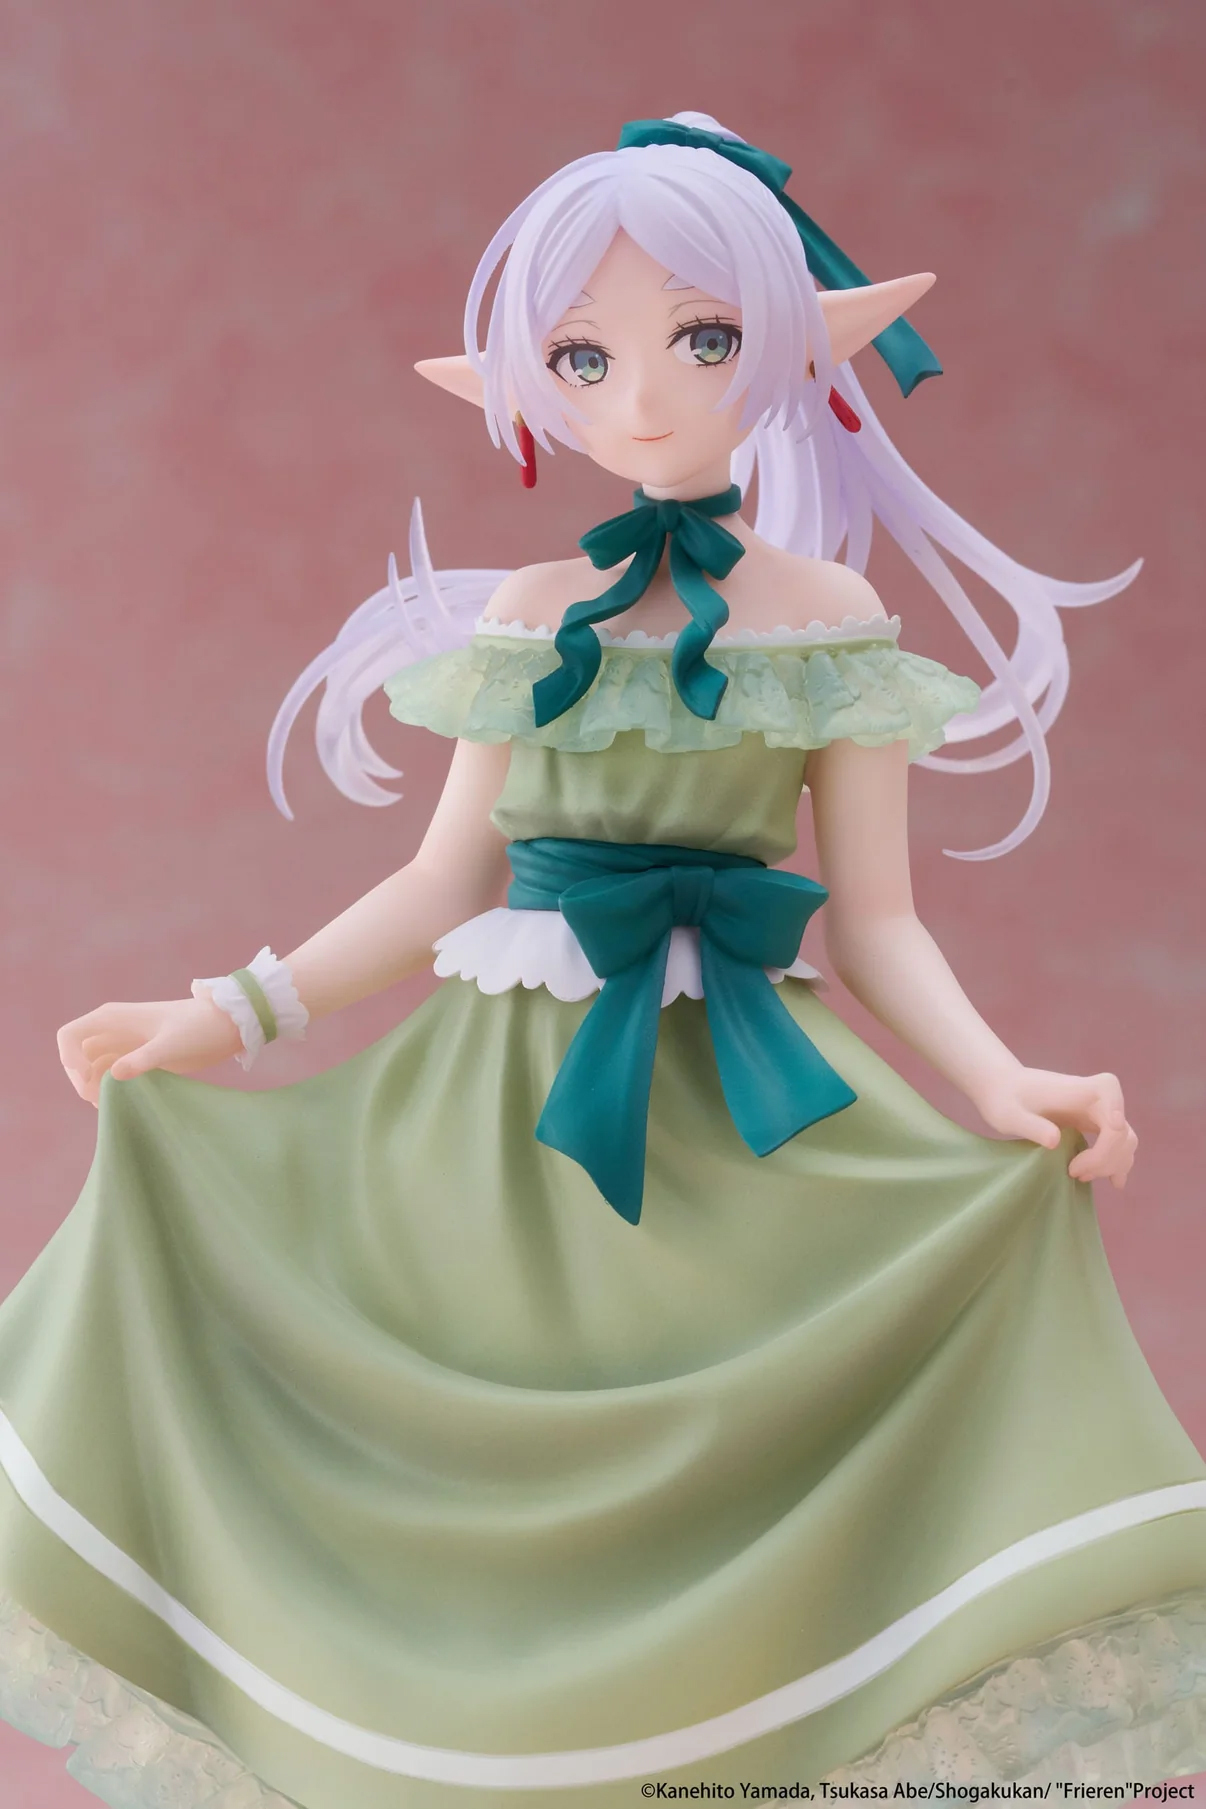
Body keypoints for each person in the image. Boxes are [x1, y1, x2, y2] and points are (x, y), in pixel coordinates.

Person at [2, 111, 1204, 1809]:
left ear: (784, 344)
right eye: (583, 356)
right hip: (489, 1113)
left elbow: (878, 922)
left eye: (700, 338)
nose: (640, 395)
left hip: (742, 1111)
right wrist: (224, 1010)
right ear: (531, 383)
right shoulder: (523, 616)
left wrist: (1001, 1078)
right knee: (458, 1498)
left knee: (744, 1482)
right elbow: (436, 880)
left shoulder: (828, 627)